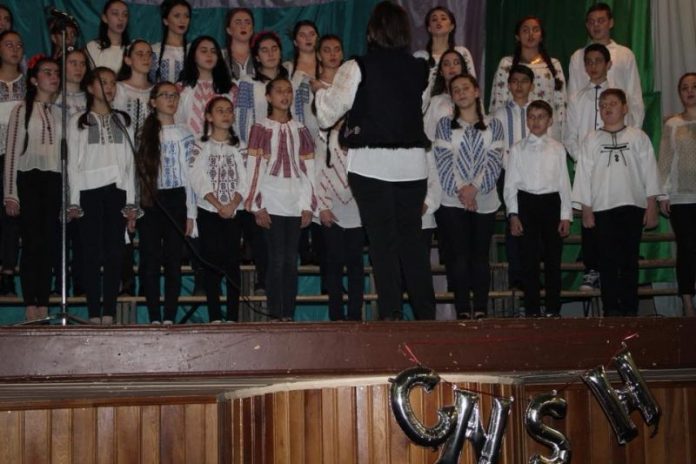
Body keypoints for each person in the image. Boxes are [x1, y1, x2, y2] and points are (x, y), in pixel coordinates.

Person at [315, 1, 435, 320]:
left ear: (372, 31)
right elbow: (418, 110)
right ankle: (427, 318)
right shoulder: (421, 68)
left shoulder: (356, 67)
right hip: (412, 165)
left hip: (370, 164)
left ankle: (392, 314)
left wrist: (319, 92)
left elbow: (326, 115)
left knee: (383, 244)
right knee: (412, 242)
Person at [571, 88, 661, 317]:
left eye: (612, 103)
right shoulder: (591, 139)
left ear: (625, 108)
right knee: (607, 261)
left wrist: (652, 204)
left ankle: (630, 310)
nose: (607, 108)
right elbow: (583, 175)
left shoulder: (638, 137)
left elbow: (650, 170)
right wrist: (587, 209)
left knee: (629, 260)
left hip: (633, 205)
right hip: (602, 207)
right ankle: (611, 309)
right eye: (603, 105)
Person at [67, 67, 137, 325]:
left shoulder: (123, 120)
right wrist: (74, 201)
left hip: (116, 190)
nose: (108, 87)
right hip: (88, 191)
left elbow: (130, 164)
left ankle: (109, 312)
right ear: (89, 87)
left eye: (112, 83)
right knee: (90, 253)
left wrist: (131, 202)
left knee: (114, 253)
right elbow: (73, 164)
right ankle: (93, 313)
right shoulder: (79, 120)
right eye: (102, 82)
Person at [433, 74, 503, 319]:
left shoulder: (494, 124)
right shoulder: (444, 125)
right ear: (452, 97)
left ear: (476, 91)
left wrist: (475, 188)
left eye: (466, 88)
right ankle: (462, 309)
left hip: (485, 198)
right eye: (456, 90)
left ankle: (481, 309)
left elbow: (494, 160)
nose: (461, 92)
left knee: (480, 256)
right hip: (453, 200)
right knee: (458, 257)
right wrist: (463, 190)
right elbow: (443, 161)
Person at [246, 77, 315, 321]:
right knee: (276, 259)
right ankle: (275, 313)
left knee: (290, 260)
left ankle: (289, 313)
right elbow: (254, 167)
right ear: (268, 97)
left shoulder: (301, 129)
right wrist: (257, 205)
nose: (285, 95)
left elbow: (308, 169)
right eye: (279, 91)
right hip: (271, 199)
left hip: (294, 201)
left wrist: (308, 205)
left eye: (288, 91)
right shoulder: (260, 128)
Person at [3, 56, 62, 320]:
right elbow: (12, 152)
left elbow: (65, 157)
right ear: (35, 80)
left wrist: (67, 195)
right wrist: (11, 193)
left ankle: (44, 301)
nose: (54, 77)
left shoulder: (60, 113)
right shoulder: (22, 110)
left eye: (56, 72)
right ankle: (31, 302)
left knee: (50, 243)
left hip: (53, 180)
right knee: (31, 243)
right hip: (29, 179)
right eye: (47, 72)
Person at [504, 100, 572, 317]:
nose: (536, 121)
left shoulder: (558, 148)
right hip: (526, 204)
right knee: (529, 260)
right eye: (532, 117)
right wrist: (513, 214)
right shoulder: (517, 149)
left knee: (553, 260)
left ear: (550, 121)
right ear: (527, 121)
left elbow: (564, 183)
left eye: (541, 117)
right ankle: (532, 309)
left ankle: (553, 308)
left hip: (551, 204)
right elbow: (510, 184)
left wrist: (565, 216)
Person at [135, 81, 195, 324]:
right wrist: (134, 206)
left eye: (174, 95)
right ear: (153, 102)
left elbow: (190, 176)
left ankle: (169, 316)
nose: (171, 99)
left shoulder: (185, 133)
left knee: (173, 261)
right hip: (151, 200)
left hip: (177, 199)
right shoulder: (143, 134)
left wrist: (191, 212)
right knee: (150, 260)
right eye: (165, 95)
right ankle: (153, 316)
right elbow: (136, 174)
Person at [189, 96, 247, 323]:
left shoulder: (240, 146)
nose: (225, 114)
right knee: (211, 263)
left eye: (229, 110)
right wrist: (217, 204)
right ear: (209, 117)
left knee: (233, 263)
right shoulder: (200, 145)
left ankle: (232, 317)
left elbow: (246, 177)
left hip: (234, 212)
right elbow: (197, 178)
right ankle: (214, 316)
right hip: (208, 211)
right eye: (220, 110)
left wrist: (232, 204)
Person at [564, 43, 613, 292]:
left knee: (613, 217)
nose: (593, 66)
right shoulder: (576, 98)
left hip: (614, 167)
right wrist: (583, 161)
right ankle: (592, 269)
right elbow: (569, 136)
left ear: (608, 64)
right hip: (586, 168)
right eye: (589, 62)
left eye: (598, 61)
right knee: (589, 219)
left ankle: (613, 268)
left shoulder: (618, 95)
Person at [492, 64, 534, 292]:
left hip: (535, 177)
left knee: (533, 226)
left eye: (524, 81)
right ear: (508, 85)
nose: (519, 86)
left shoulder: (538, 111)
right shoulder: (499, 114)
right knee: (514, 223)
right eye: (515, 81)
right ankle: (517, 276)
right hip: (508, 175)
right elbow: (496, 146)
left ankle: (533, 273)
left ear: (531, 85)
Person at [568, 2, 643, 128]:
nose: (596, 25)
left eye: (601, 21)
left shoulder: (625, 54)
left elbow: (634, 96)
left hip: (619, 127)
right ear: (587, 25)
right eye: (592, 22)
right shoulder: (577, 57)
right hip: (586, 125)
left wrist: (634, 130)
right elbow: (572, 94)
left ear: (611, 23)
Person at [489, 16, 566, 140]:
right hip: (513, 127)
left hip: (546, 130)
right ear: (517, 36)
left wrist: (561, 133)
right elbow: (498, 100)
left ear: (541, 36)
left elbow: (560, 103)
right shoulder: (506, 64)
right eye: (525, 30)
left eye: (535, 30)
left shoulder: (553, 65)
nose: (531, 34)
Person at [657, 73, 696, 317]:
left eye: (694, 86)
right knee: (687, 247)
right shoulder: (672, 124)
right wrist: (663, 194)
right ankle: (687, 301)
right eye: (684, 88)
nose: (690, 91)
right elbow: (664, 161)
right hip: (682, 198)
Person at [414, 6, 476, 111]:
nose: (439, 21)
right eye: (434, 19)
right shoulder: (420, 57)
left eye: (443, 18)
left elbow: (472, 86)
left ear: (451, 26)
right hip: (425, 113)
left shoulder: (461, 52)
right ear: (429, 28)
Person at [0, 30, 24, 296]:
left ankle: (8, 273)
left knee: (12, 216)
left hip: (18, 158)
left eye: (19, 45)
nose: (14, 49)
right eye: (8, 44)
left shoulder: (29, 85)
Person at [176, 35, 236, 139]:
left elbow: (234, 123)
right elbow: (177, 121)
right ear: (193, 56)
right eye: (204, 51)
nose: (209, 55)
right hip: (188, 144)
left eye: (213, 51)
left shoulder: (230, 89)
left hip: (222, 146)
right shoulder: (181, 88)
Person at [235, 31, 287, 144]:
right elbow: (242, 122)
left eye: (274, 49)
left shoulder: (290, 82)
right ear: (257, 57)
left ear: (280, 53)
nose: (271, 54)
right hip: (258, 147)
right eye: (264, 50)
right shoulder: (248, 83)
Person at [423, 48, 465, 141]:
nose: (452, 67)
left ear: (462, 68)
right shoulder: (435, 101)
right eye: (446, 64)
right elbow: (429, 136)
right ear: (441, 72)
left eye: (456, 63)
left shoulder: (474, 100)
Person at [150, 0, 191, 84]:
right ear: (165, 20)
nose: (182, 21)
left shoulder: (193, 50)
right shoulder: (154, 50)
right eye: (177, 16)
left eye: (186, 16)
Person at [85, 0, 129, 73]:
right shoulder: (92, 47)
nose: (121, 18)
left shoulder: (131, 49)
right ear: (104, 18)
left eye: (125, 14)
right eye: (115, 13)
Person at [222, 8, 255, 81]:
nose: (243, 26)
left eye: (247, 23)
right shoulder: (220, 56)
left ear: (252, 30)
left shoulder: (260, 56)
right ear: (229, 30)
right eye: (238, 23)